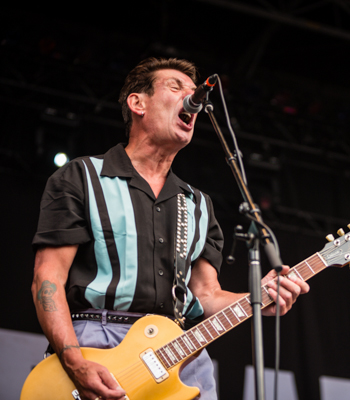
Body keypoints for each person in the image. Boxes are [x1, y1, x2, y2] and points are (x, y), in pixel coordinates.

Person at [31, 57, 310, 400]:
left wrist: (257, 298)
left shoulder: (198, 204)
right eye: (176, 87)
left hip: (177, 356)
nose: (192, 98)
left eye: (194, 92)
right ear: (138, 103)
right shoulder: (82, 177)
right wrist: (75, 362)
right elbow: (47, 278)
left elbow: (206, 294)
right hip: (97, 343)